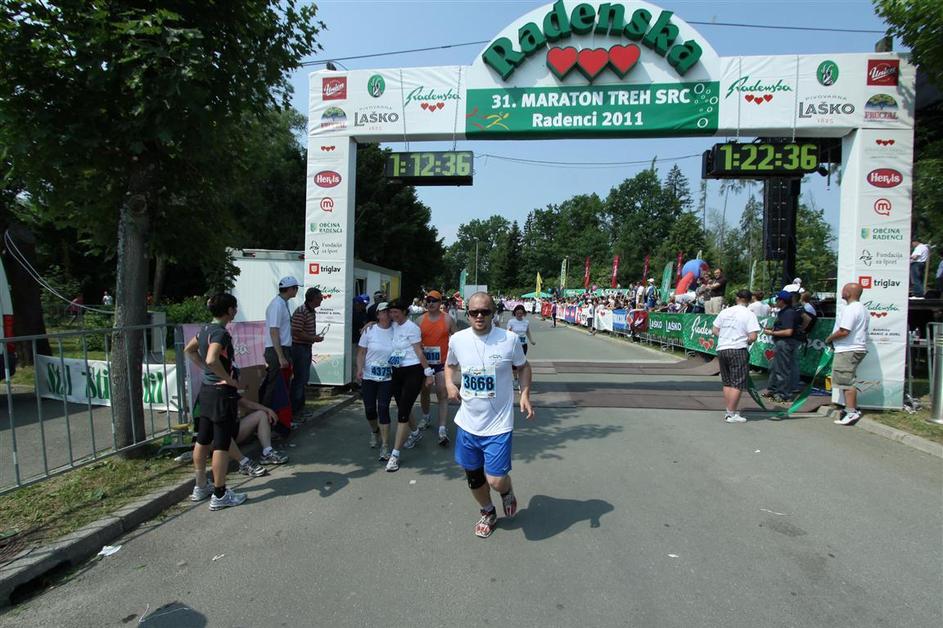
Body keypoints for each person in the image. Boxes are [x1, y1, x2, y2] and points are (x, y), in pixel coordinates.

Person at [445, 292, 534, 538]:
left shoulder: (509, 339)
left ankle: (506, 491)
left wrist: (525, 394)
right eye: (474, 312)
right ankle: (487, 512)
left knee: (495, 479)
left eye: (485, 311)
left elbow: (524, 367)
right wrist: (450, 384)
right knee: (474, 477)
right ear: (467, 314)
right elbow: (450, 365)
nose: (479, 316)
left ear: (493, 313)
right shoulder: (457, 339)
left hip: (498, 425)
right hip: (467, 423)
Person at [183, 293, 248, 511]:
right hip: (222, 394)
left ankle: (201, 486)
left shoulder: (204, 329)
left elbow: (189, 350)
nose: (236, 311)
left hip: (207, 391)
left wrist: (205, 370)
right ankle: (220, 494)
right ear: (229, 310)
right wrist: (228, 379)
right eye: (234, 307)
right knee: (221, 442)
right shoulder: (220, 332)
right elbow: (212, 359)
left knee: (203, 439)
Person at [385, 300, 435, 472]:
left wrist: (428, 372)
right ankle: (415, 433)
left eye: (396, 313)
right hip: (396, 370)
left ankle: (395, 455)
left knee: (403, 412)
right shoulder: (393, 325)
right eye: (391, 312)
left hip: (413, 371)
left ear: (405, 312)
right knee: (402, 406)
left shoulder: (412, 328)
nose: (393, 316)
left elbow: (419, 351)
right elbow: (379, 321)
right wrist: (369, 324)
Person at [712, 290, 760, 423]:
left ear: (737, 298)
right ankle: (731, 413)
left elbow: (714, 329)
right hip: (738, 348)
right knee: (737, 383)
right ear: (749, 300)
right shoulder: (749, 314)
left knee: (727, 381)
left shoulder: (725, 311)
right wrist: (747, 341)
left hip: (722, 348)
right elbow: (753, 336)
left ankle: (729, 411)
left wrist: (724, 336)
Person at [825, 283, 869, 426]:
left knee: (846, 381)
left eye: (844, 290)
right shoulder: (861, 308)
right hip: (853, 348)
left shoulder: (851, 309)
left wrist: (829, 338)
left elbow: (844, 331)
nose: (842, 292)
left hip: (848, 349)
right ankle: (849, 409)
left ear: (848, 293)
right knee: (846, 380)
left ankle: (851, 411)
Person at [417, 290, 457, 446]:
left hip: (441, 363)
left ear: (440, 303)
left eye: (434, 301)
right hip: (425, 363)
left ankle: (442, 428)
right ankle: (426, 416)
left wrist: (455, 355)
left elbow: (457, 337)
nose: (431, 303)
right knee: (425, 391)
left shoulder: (447, 319)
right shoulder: (420, 320)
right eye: (428, 301)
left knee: (442, 392)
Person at [356, 301, 395, 460]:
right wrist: (359, 369)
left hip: (387, 377)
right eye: (383, 311)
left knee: (383, 408)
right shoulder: (369, 330)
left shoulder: (397, 330)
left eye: (389, 311)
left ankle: (385, 446)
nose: (386, 314)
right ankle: (375, 431)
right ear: (378, 315)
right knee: (370, 409)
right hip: (369, 376)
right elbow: (361, 352)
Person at [260, 276, 299, 412]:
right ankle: (266, 415)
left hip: (283, 348)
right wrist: (281, 356)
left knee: (282, 385)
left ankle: (279, 415)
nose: (297, 291)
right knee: (274, 385)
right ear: (290, 289)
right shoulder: (277, 305)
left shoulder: (283, 303)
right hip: (276, 349)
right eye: (296, 288)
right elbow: (274, 331)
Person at [290, 288, 324, 418]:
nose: (321, 300)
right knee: (300, 379)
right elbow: (296, 332)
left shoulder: (310, 311)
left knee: (303, 378)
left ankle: (300, 408)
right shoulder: (302, 311)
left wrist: (313, 338)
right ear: (313, 299)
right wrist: (313, 338)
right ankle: (295, 410)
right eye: (319, 298)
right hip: (299, 347)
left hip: (305, 347)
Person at [762, 291, 801, 403]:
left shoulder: (788, 313)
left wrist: (772, 333)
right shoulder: (785, 312)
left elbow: (788, 331)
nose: (775, 302)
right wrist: (773, 329)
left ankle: (783, 394)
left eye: (777, 300)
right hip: (783, 342)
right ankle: (773, 389)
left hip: (785, 343)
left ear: (781, 301)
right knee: (775, 367)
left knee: (782, 369)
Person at [235, 400, 289, 465]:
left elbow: (246, 403)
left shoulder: (229, 394)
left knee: (261, 414)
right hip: (226, 439)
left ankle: (267, 452)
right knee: (224, 431)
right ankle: (243, 462)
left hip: (234, 431)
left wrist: (267, 410)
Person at [506, 304, 537, 391]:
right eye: (517, 313)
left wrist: (531, 340)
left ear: (523, 313)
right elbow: (508, 333)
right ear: (515, 313)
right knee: (514, 364)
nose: (519, 315)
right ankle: (515, 380)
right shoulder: (511, 322)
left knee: (521, 364)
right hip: (513, 345)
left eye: (521, 313)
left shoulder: (526, 322)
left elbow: (527, 332)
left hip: (523, 345)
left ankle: (521, 381)